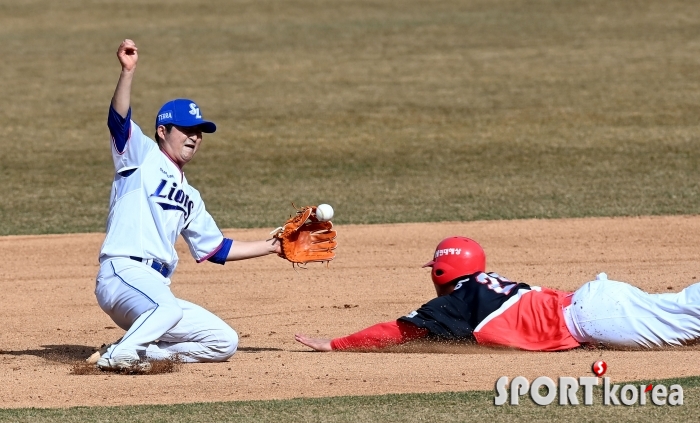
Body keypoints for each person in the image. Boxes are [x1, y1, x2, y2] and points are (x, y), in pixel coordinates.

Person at [94, 39, 282, 371]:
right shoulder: (140, 155)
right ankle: (117, 355)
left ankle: (139, 351)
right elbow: (119, 119)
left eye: (199, 132)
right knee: (168, 310)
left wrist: (271, 246)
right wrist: (128, 72)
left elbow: (217, 249)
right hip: (123, 274)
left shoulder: (191, 196)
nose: (194, 137)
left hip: (154, 291)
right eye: (187, 130)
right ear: (162, 131)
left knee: (224, 341)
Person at [295, 236, 700, 352]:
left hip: (593, 318)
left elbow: (398, 331)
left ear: (441, 272)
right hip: (594, 300)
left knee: (685, 318)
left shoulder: (459, 300)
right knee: (682, 308)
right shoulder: (486, 285)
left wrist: (337, 343)